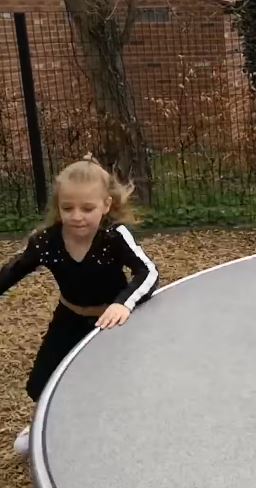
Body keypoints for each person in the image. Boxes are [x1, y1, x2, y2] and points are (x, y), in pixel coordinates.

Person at [0, 156, 159, 456]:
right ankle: (44, 424)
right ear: (58, 207)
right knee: (42, 381)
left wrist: (123, 303)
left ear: (106, 205)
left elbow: (147, 272)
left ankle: (113, 428)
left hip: (111, 322)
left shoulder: (113, 237)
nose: (77, 216)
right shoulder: (47, 242)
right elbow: (13, 271)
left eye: (87, 208)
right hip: (69, 317)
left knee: (111, 380)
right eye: (67, 208)